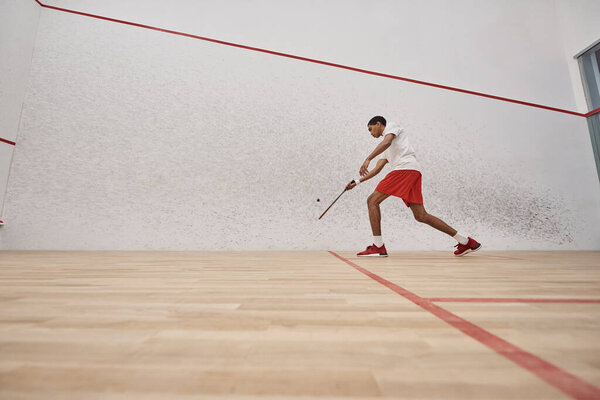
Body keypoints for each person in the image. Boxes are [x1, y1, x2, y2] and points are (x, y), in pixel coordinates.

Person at [346, 116, 481, 257]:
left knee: (372, 201)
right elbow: (377, 170)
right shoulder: (386, 149)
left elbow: (386, 142)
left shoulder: (391, 127)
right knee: (421, 215)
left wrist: (368, 158)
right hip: (412, 172)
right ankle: (465, 241)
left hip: (405, 169)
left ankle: (378, 246)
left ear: (379, 124)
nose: (371, 133)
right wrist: (357, 182)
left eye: (370, 129)